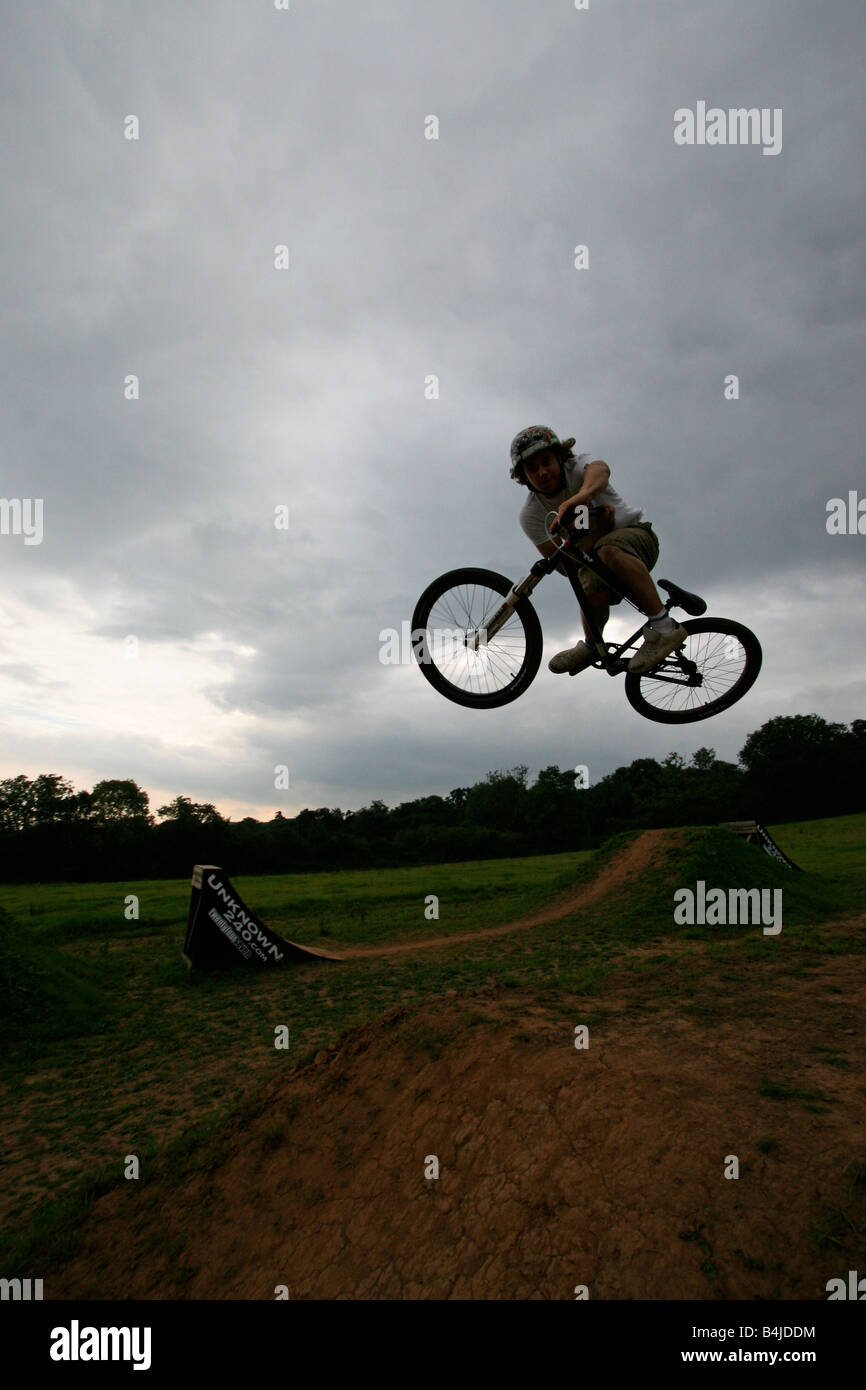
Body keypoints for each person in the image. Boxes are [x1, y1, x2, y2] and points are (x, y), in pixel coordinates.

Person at [510, 425, 687, 675]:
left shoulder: (579, 468)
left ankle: (665, 628)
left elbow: (600, 470)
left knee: (608, 550)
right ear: (523, 476)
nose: (542, 472)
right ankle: (593, 645)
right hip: (595, 561)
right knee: (586, 580)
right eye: (532, 469)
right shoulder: (531, 514)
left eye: (546, 462)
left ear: (559, 458)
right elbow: (562, 567)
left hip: (637, 539)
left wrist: (580, 497)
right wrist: (585, 537)